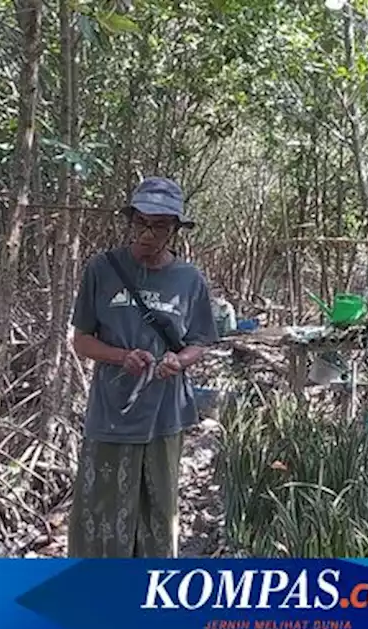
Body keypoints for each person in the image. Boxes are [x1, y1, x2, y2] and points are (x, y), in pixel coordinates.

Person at [66, 176, 218, 558]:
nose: (148, 234)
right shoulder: (102, 269)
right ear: (131, 221)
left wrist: (178, 360)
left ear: (175, 230)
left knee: (157, 512)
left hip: (164, 415)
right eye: (141, 223)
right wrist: (121, 356)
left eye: (160, 226)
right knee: (100, 511)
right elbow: (80, 340)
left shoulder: (189, 279)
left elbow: (201, 342)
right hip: (111, 411)